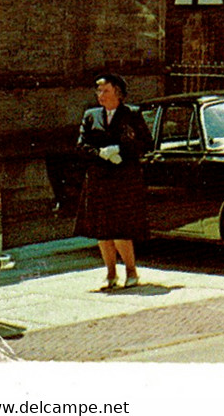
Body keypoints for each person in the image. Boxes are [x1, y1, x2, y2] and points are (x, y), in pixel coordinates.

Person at [74, 73, 152, 289]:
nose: (100, 95)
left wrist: (121, 150)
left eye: (105, 90)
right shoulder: (91, 116)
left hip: (123, 180)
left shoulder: (132, 114)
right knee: (103, 232)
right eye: (98, 91)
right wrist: (100, 153)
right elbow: (81, 145)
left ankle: (131, 271)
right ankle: (110, 274)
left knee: (121, 230)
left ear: (117, 93)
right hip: (99, 180)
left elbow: (146, 142)